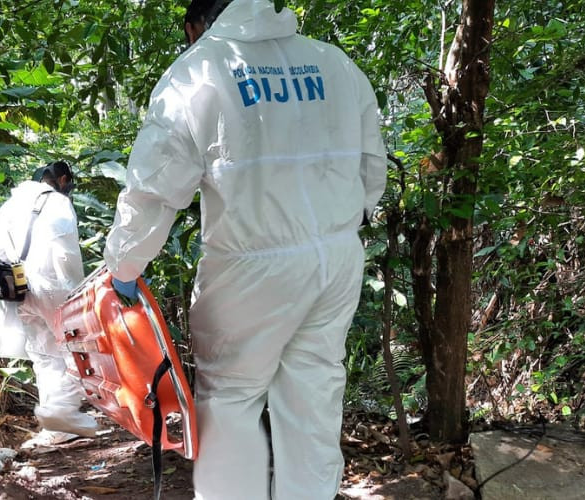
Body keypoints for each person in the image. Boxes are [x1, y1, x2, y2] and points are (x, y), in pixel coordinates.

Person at [103, 0, 387, 498]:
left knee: (232, 401)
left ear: (197, 24)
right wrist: (346, 221)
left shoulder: (198, 72)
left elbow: (153, 190)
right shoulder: (336, 65)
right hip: (336, 259)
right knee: (314, 395)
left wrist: (123, 264)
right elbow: (371, 167)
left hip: (249, 267)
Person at [0, 161, 98, 446]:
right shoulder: (59, 204)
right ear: (62, 180)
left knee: (44, 355)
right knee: (77, 348)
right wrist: (76, 291)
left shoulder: (10, 206)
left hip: (18, 288)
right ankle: (60, 411)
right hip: (54, 285)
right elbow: (66, 253)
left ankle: (56, 429)